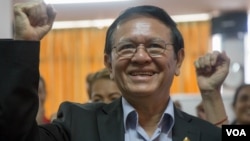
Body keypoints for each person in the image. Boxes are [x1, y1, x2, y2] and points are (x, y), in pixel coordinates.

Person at [0, 1, 230, 141]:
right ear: (109, 64)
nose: (140, 57)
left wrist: (211, 95)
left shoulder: (203, 132)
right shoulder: (78, 123)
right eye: (127, 47)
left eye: (155, 46)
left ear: (178, 60)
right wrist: (25, 44)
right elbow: (15, 137)